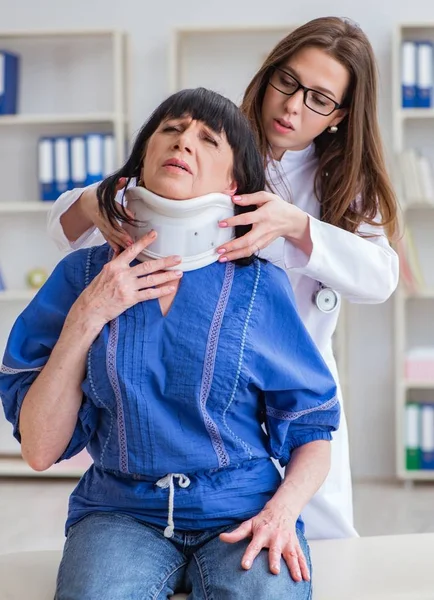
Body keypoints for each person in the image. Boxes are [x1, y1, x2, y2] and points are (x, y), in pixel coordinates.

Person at [46, 16, 399, 540]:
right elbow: (67, 225)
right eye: (287, 81)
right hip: (200, 391)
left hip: (289, 391)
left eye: (319, 99)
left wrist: (299, 228)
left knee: (303, 551)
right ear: (269, 72)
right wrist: (95, 202)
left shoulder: (344, 183)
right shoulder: (209, 140)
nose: (293, 106)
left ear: (340, 115)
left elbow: (381, 278)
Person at [0, 88, 340, 600]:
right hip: (121, 513)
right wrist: (88, 315)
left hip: (244, 508)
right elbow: (41, 450)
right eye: (171, 129)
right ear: (143, 159)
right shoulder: (81, 276)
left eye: (207, 138)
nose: (184, 142)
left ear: (232, 182)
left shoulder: (258, 286)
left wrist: (282, 513)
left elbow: (313, 432)